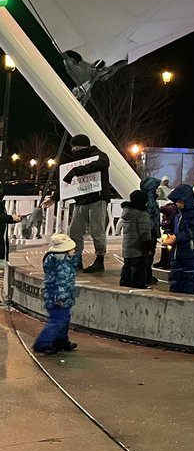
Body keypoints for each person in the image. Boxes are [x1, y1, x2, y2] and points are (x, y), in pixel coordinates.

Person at [42, 134, 113, 273]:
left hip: (97, 200)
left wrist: (76, 170)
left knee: (97, 231)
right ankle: (76, 259)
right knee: (75, 231)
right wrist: (54, 198)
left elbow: (103, 163)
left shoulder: (99, 156)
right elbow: (70, 186)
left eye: (76, 147)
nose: (74, 150)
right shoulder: (77, 160)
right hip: (81, 201)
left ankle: (100, 259)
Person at [33, 233, 79, 353]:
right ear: (64, 251)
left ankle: (61, 341)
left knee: (63, 320)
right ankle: (42, 343)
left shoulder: (64, 262)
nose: (74, 251)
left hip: (63, 297)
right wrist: (60, 298)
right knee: (57, 321)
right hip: (58, 299)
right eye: (71, 249)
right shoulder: (62, 265)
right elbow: (61, 284)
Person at [167, 185, 194, 294]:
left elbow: (193, 231)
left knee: (190, 277)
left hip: (191, 253)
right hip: (177, 252)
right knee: (175, 277)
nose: (178, 204)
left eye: (180, 201)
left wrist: (176, 237)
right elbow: (173, 228)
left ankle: (190, 301)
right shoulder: (177, 214)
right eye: (176, 201)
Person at [119, 189, 154, 288]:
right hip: (138, 247)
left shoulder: (127, 212)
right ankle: (138, 287)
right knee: (138, 269)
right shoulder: (141, 214)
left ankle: (124, 284)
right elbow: (145, 233)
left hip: (127, 246)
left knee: (127, 266)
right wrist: (149, 246)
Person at [139, 175, 162, 284]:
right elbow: (150, 219)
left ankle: (146, 276)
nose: (158, 189)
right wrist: (153, 233)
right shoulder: (150, 201)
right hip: (149, 233)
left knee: (145, 256)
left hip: (147, 232)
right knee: (148, 255)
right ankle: (146, 277)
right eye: (157, 187)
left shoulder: (146, 199)